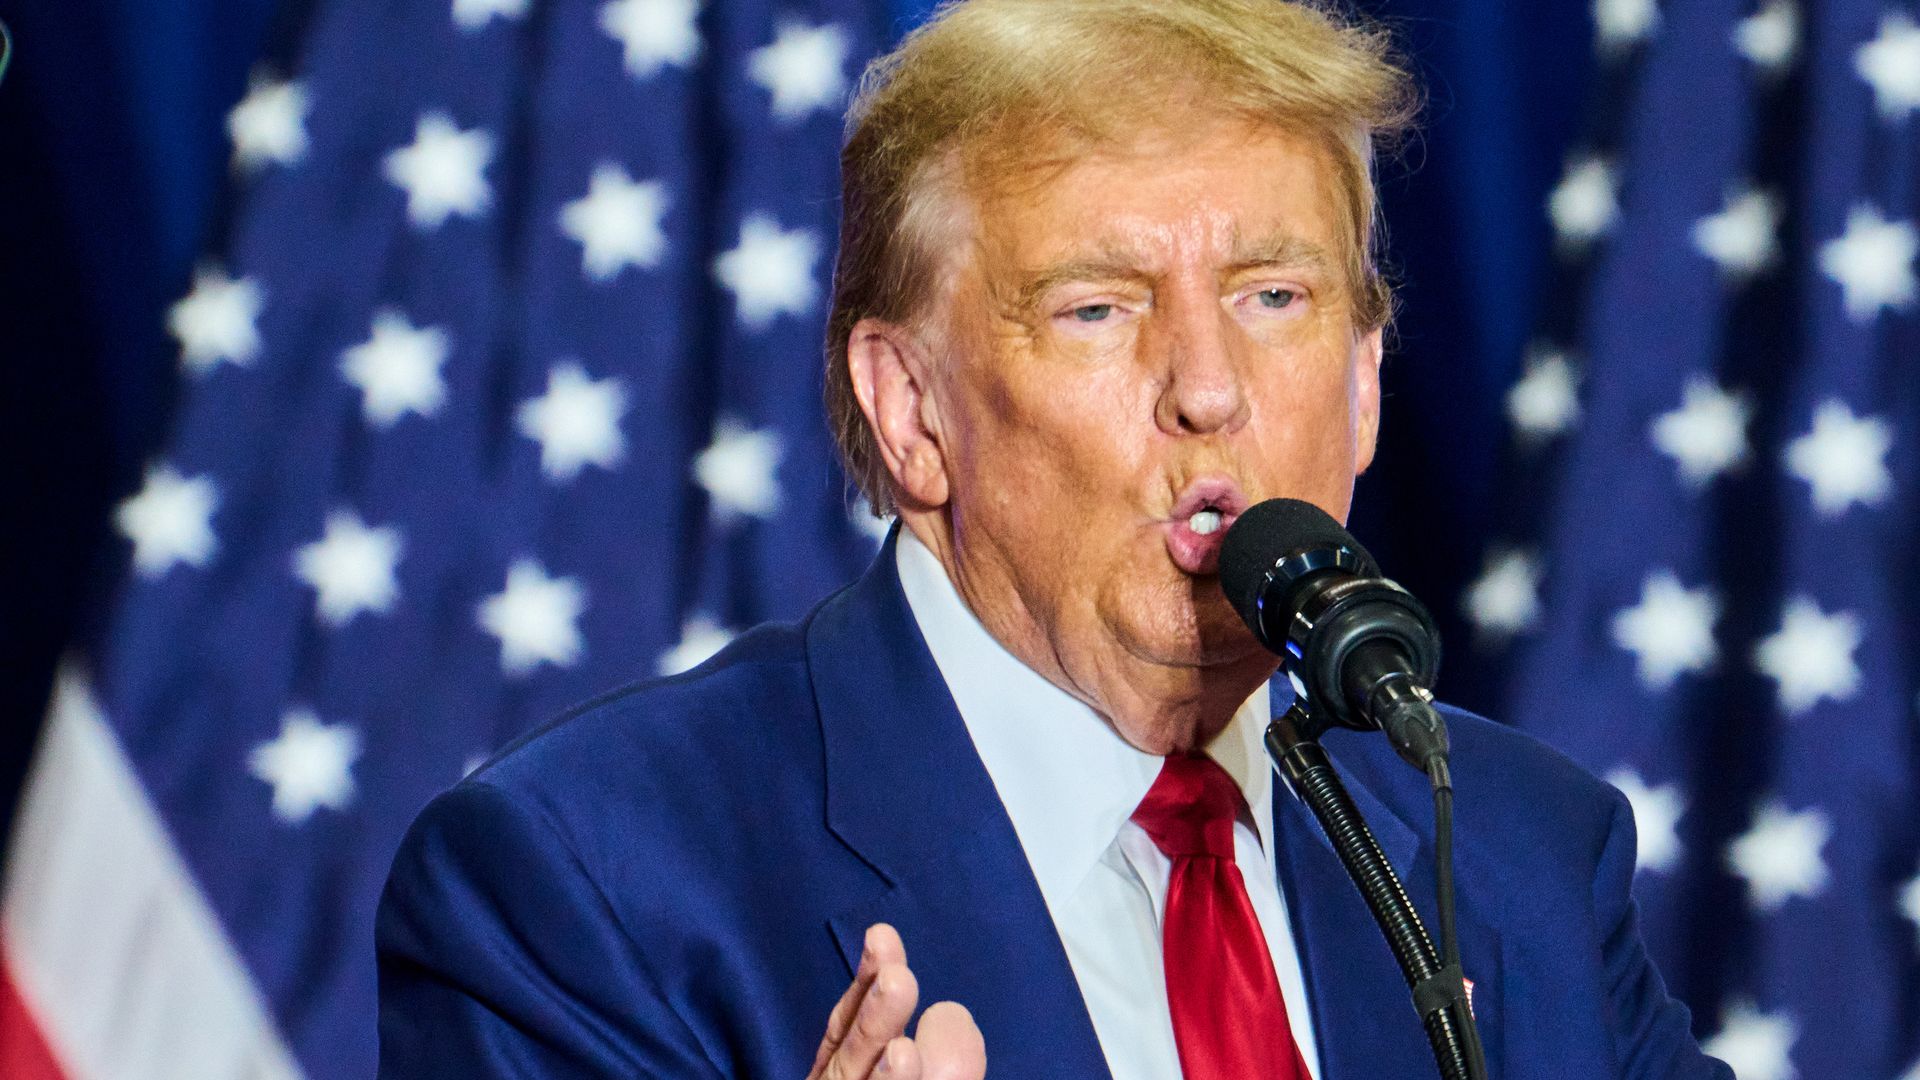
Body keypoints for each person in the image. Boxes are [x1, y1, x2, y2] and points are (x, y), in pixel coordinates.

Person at [376, 1, 1731, 1077]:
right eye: (1097, 308)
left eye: (1274, 295)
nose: (1210, 385)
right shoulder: (588, 889)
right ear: (911, 412)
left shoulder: (1513, 852)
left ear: (1366, 384)